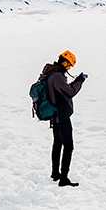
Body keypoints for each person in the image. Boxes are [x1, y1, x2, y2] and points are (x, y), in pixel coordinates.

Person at [41, 50, 87, 187]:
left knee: (57, 143)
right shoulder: (57, 76)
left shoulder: (52, 73)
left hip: (56, 116)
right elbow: (70, 92)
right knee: (68, 146)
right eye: (69, 65)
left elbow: (64, 90)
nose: (69, 68)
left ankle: (55, 173)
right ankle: (64, 178)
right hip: (61, 116)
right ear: (65, 62)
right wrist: (79, 81)